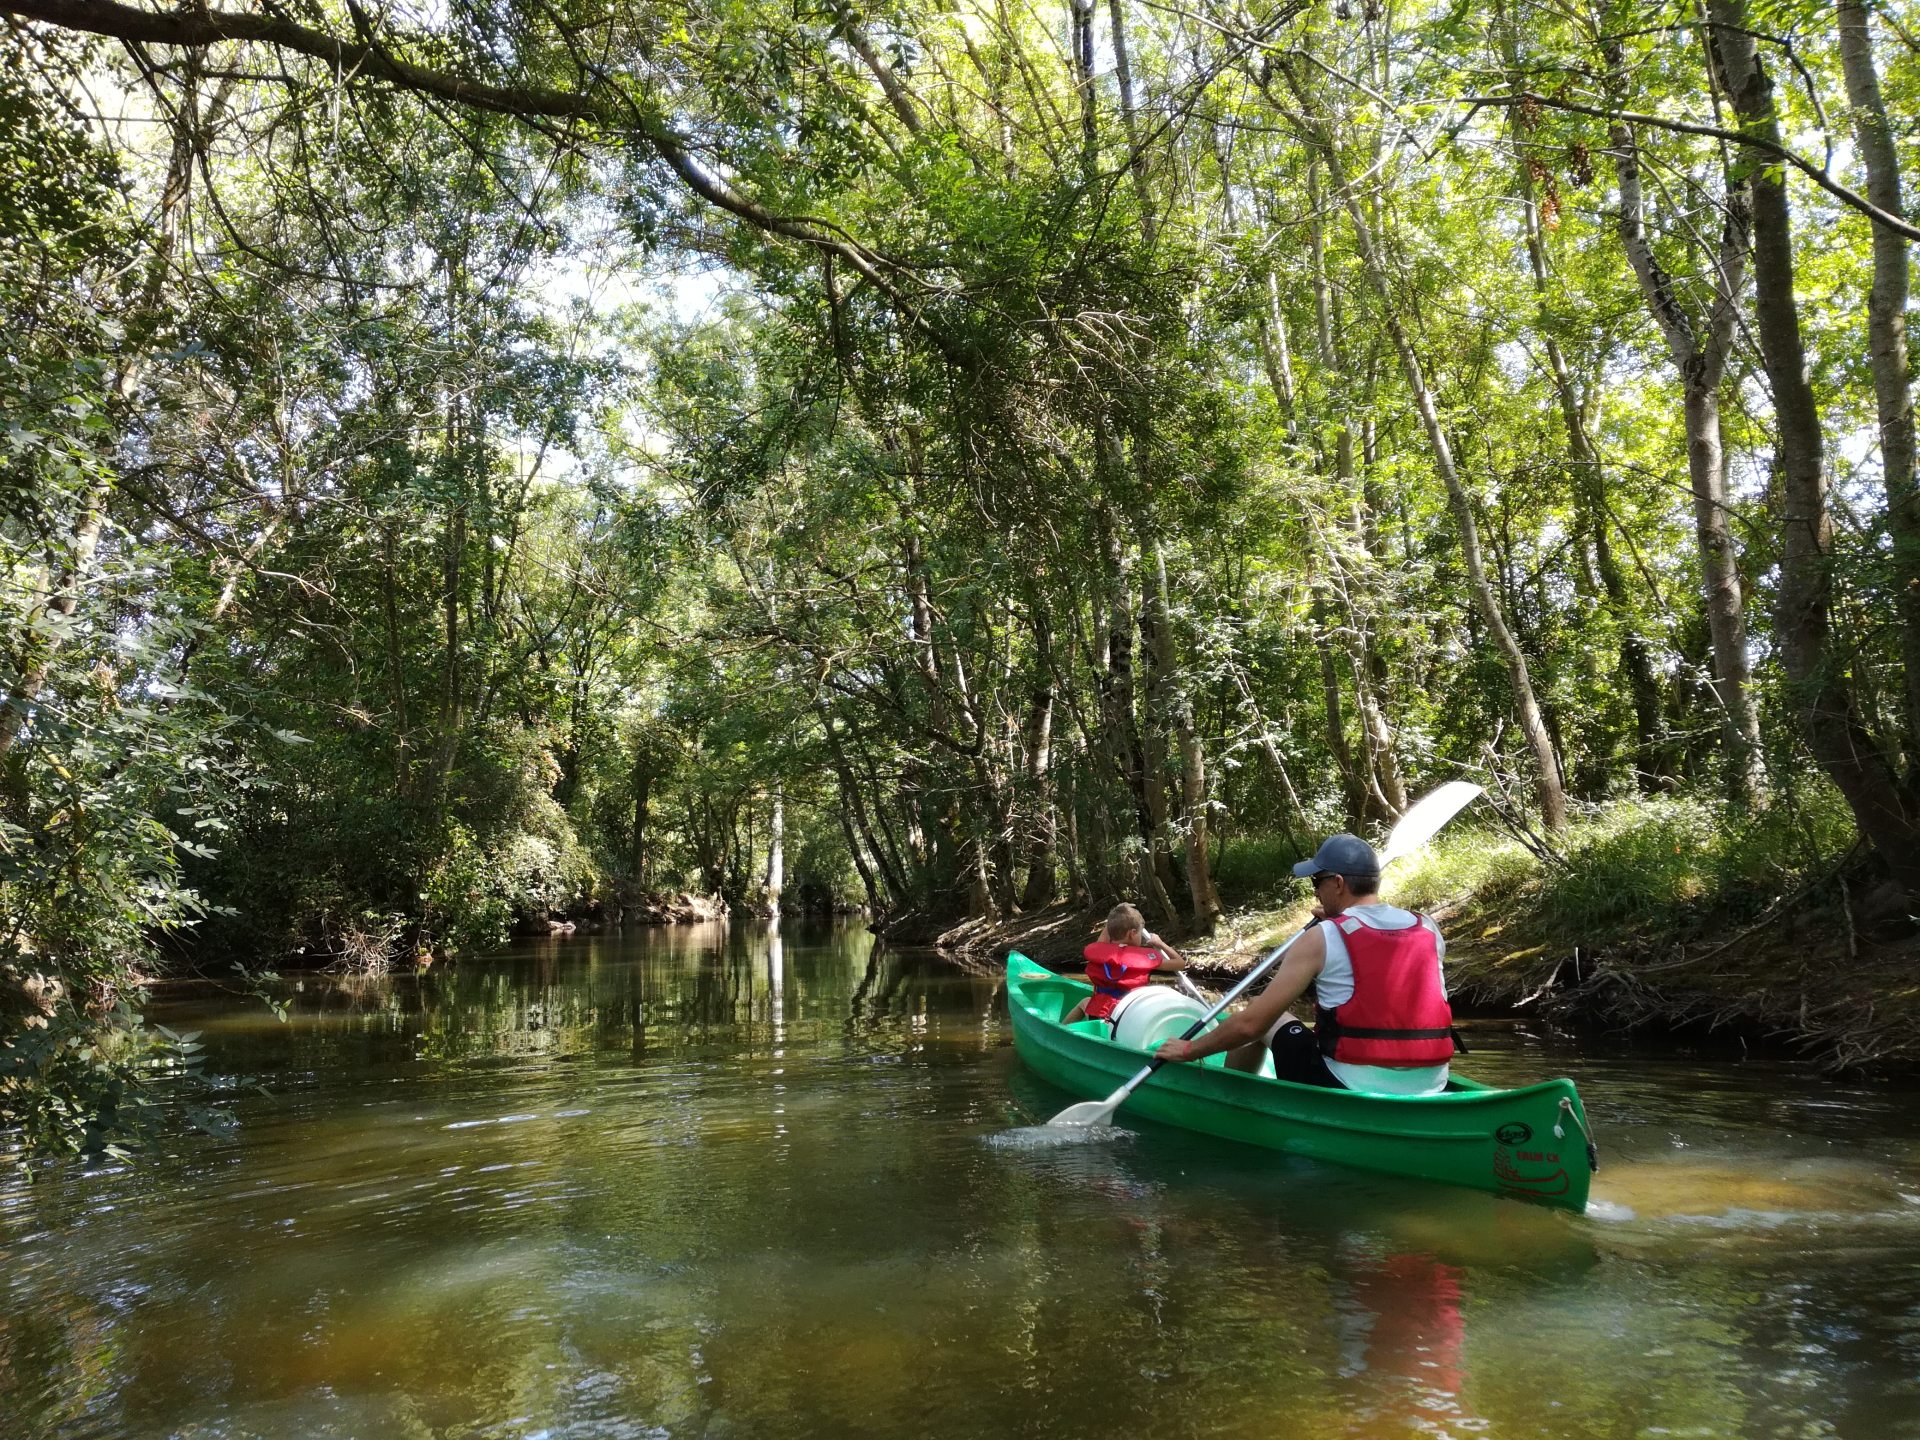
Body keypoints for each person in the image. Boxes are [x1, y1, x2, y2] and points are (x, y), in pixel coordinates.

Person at [1152, 834, 1453, 1094]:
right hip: (1433, 1081)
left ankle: (1229, 1100)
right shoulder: (1426, 928)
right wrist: (1337, 924)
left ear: (1337, 884)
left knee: (1261, 1011)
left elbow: (1250, 1025)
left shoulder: (1322, 937)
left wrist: (1191, 1049)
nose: (1316, 891)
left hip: (1346, 1085)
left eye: (1316, 881)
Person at [1062, 902, 1189, 1026]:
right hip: (1129, 1015)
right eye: (1140, 933)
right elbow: (1180, 963)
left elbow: (1104, 937)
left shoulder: (1102, 953)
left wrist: (1114, 917)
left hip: (1099, 1013)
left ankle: (1061, 1029)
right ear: (1132, 933)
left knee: (1084, 1002)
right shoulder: (1144, 959)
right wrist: (1160, 944)